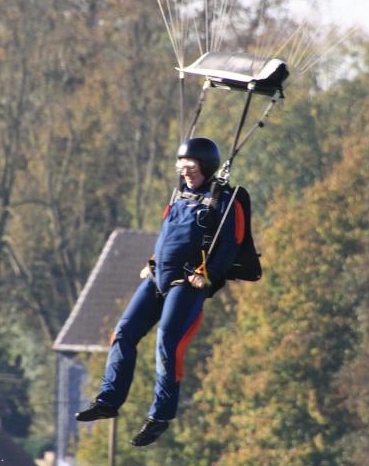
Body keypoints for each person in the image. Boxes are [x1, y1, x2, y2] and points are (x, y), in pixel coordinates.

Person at [75, 137, 243, 446]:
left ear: (206, 167)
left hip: (187, 282)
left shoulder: (221, 200)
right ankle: (108, 401)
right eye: (182, 167)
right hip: (157, 277)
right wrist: (152, 261)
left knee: (167, 339)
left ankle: (160, 416)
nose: (186, 172)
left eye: (192, 167)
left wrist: (207, 274)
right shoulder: (179, 196)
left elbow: (229, 246)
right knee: (123, 332)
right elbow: (170, 237)